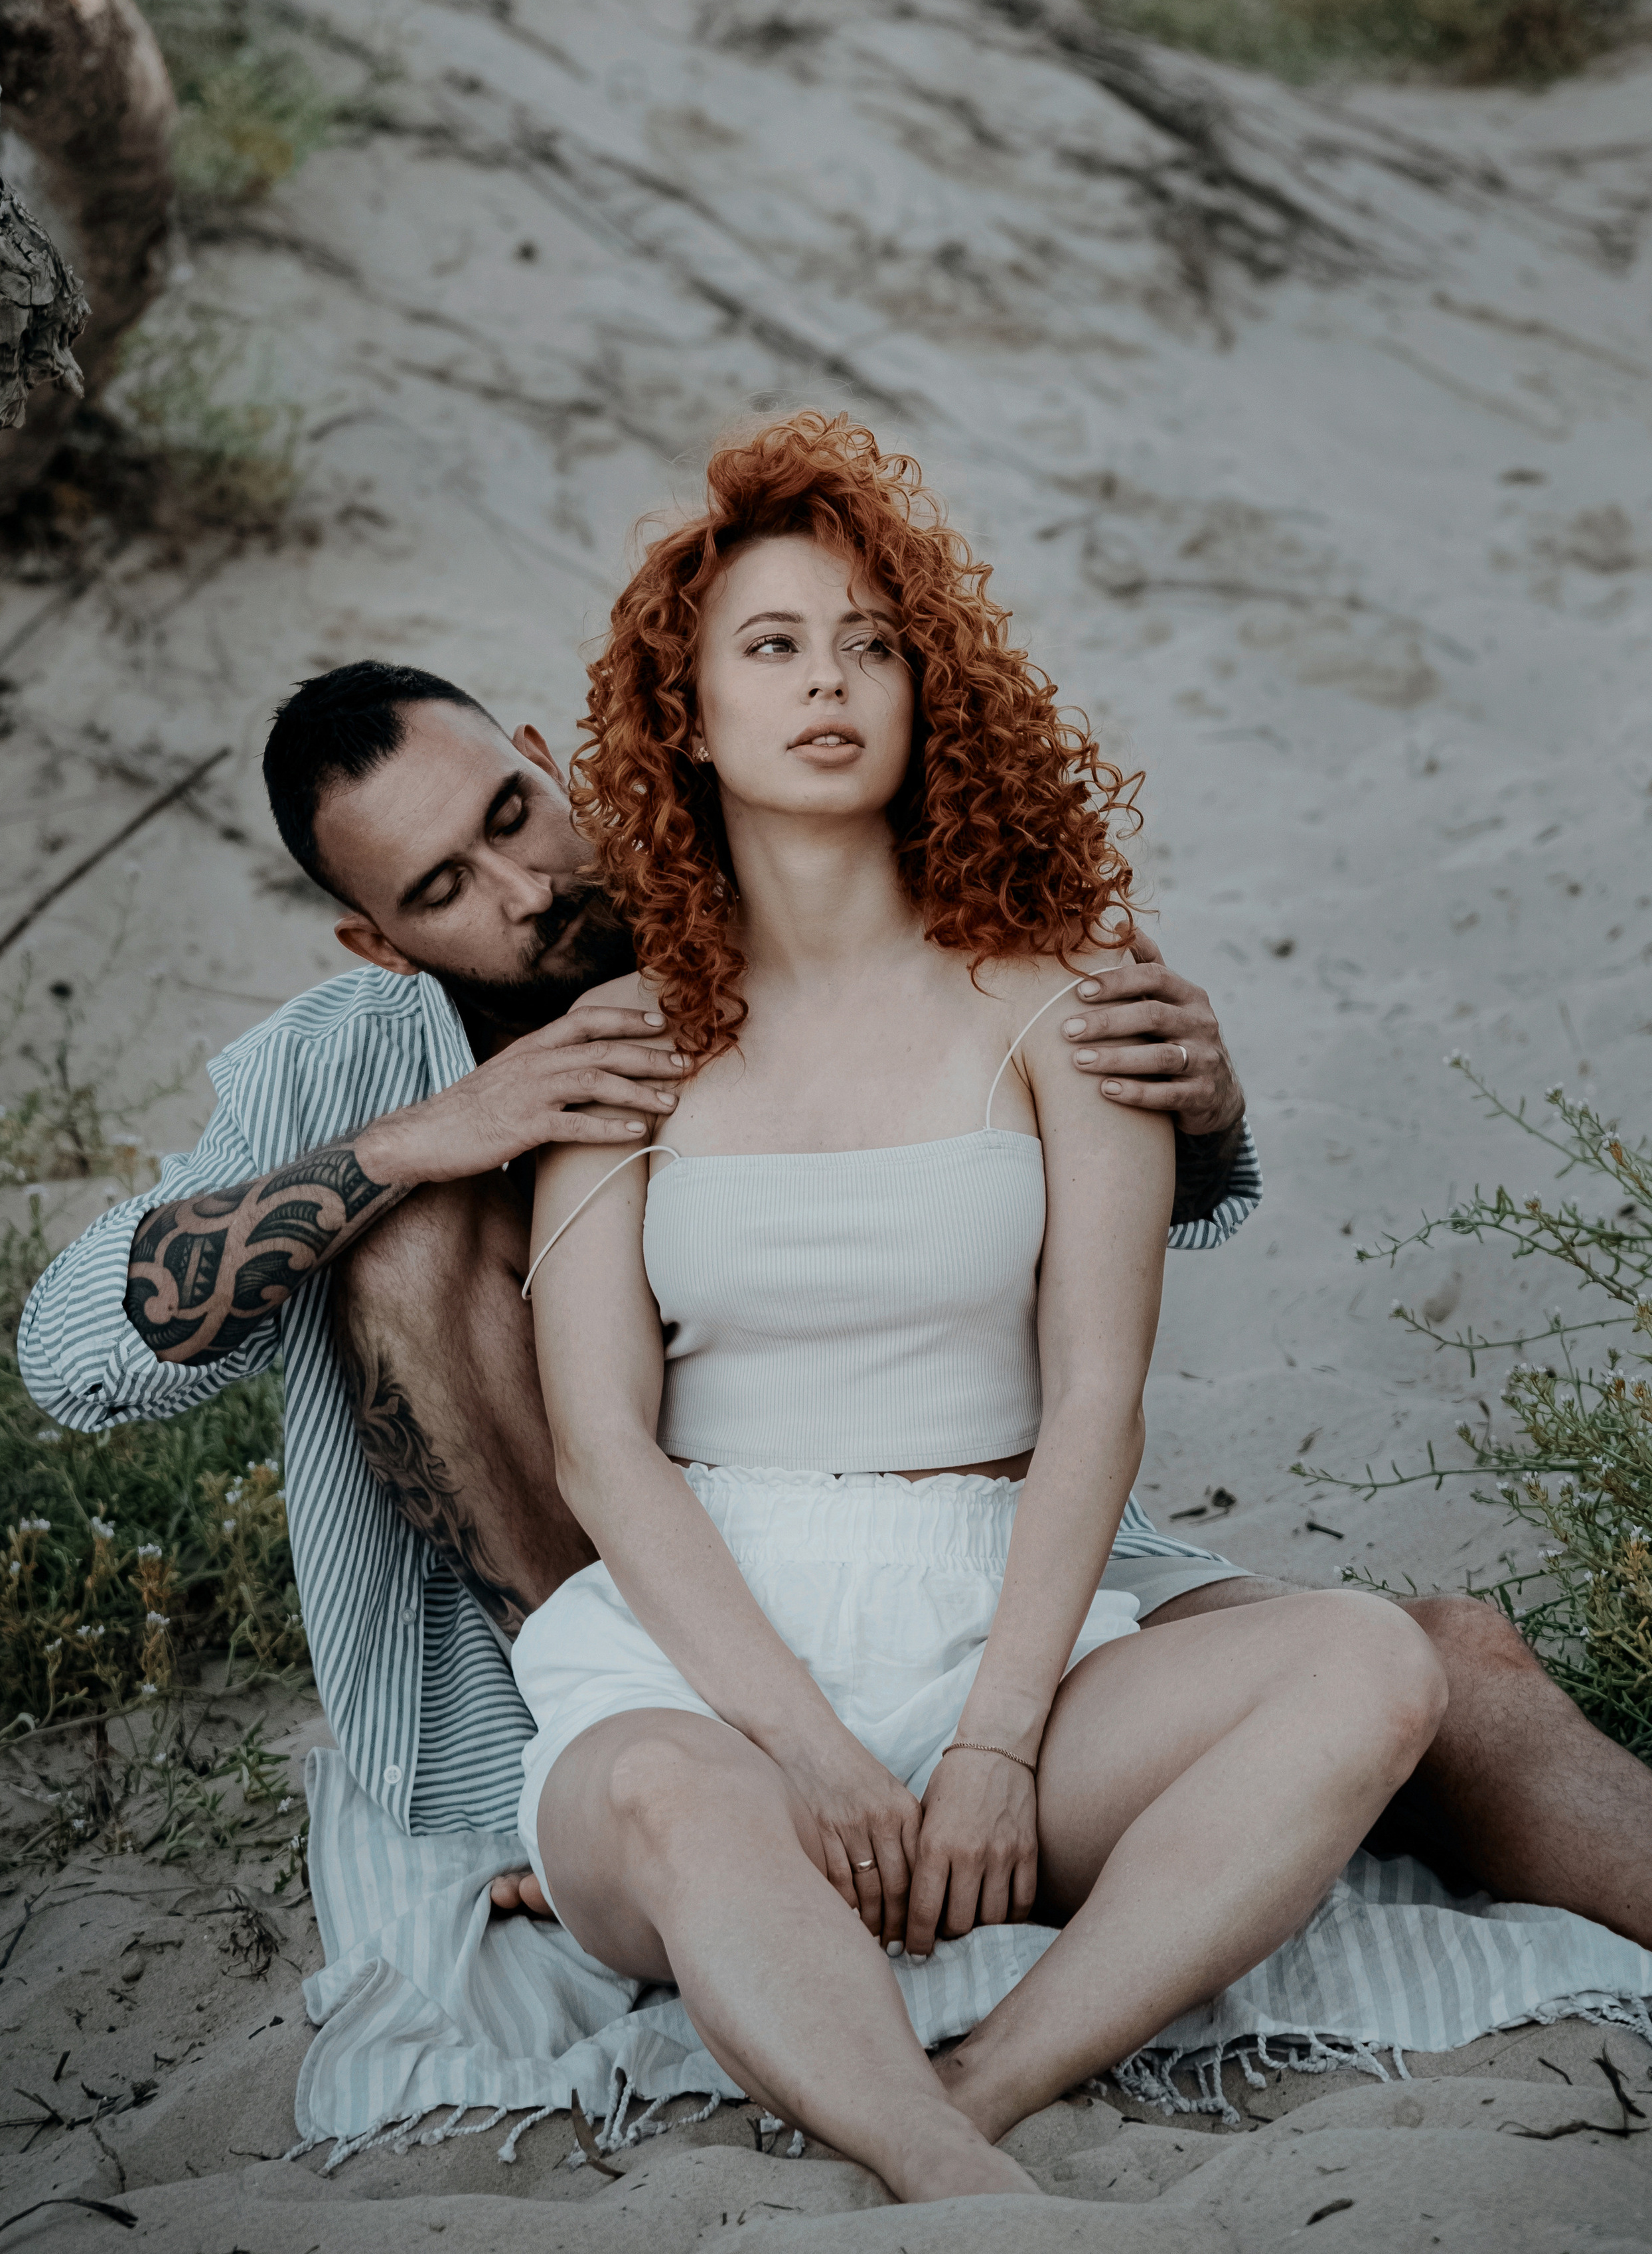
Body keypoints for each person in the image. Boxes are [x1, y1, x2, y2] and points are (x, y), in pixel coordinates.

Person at [17, 629, 1652, 1940]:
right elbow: (74, 1354)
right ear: (379, 942)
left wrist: (1198, 1111)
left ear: (540, 750)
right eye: (440, 890)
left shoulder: (764, 904)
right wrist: (434, 1136)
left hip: (961, 1567)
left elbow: (1091, 1215)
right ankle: (652, 1797)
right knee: (409, 1240)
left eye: (512, 815)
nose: (522, 891)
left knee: (1448, 1659)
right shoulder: (350, 1060)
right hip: (632, 1659)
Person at [510, 410, 1449, 2198]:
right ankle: (967, 2198)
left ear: (931, 689)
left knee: (1369, 1661)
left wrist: (999, 1740)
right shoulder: (634, 1046)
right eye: (772, 647)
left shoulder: (1061, 992)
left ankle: (993, 2078)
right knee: (666, 1799)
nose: (830, 681)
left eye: (874, 642)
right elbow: (600, 1447)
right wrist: (808, 1749)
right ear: (687, 715)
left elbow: (1097, 1394)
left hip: (994, 1615)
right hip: (706, 1642)